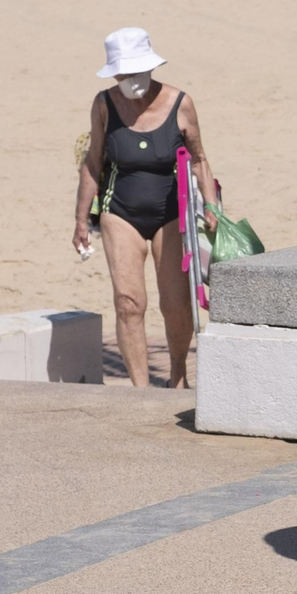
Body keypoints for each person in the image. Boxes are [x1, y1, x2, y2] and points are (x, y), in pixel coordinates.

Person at [74, 28, 219, 389]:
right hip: (118, 211)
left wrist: (213, 208)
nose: (128, 80)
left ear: (150, 67)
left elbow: (199, 160)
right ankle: (139, 392)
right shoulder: (103, 104)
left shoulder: (180, 103)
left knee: (174, 304)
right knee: (128, 302)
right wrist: (80, 219)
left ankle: (177, 376)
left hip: (170, 212)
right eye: (121, 73)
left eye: (135, 71)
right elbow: (93, 163)